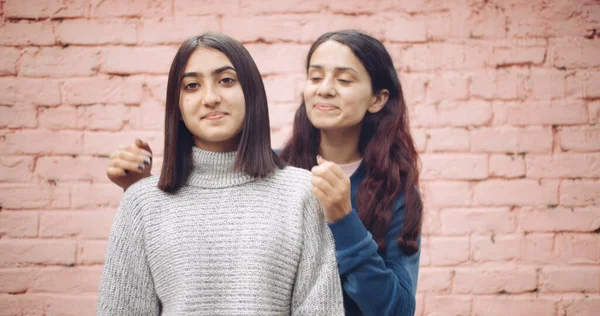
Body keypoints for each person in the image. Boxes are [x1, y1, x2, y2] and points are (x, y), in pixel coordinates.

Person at [107, 30, 423, 316]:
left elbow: (398, 310)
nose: (325, 90)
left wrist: (344, 219)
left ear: (378, 99)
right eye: (315, 77)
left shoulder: (391, 191)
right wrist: (140, 193)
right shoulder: (268, 169)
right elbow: (201, 212)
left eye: (344, 80)